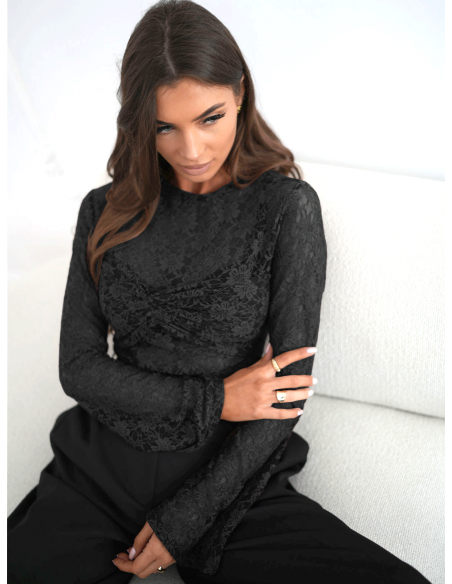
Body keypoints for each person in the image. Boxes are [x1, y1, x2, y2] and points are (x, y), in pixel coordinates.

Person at [7, 1, 432, 582]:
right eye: (165, 127)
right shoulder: (102, 210)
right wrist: (215, 399)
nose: (191, 150)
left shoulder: (285, 209)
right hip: (99, 471)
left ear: (240, 95)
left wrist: (187, 518)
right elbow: (78, 368)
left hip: (227, 483)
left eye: (209, 118)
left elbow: (286, 394)